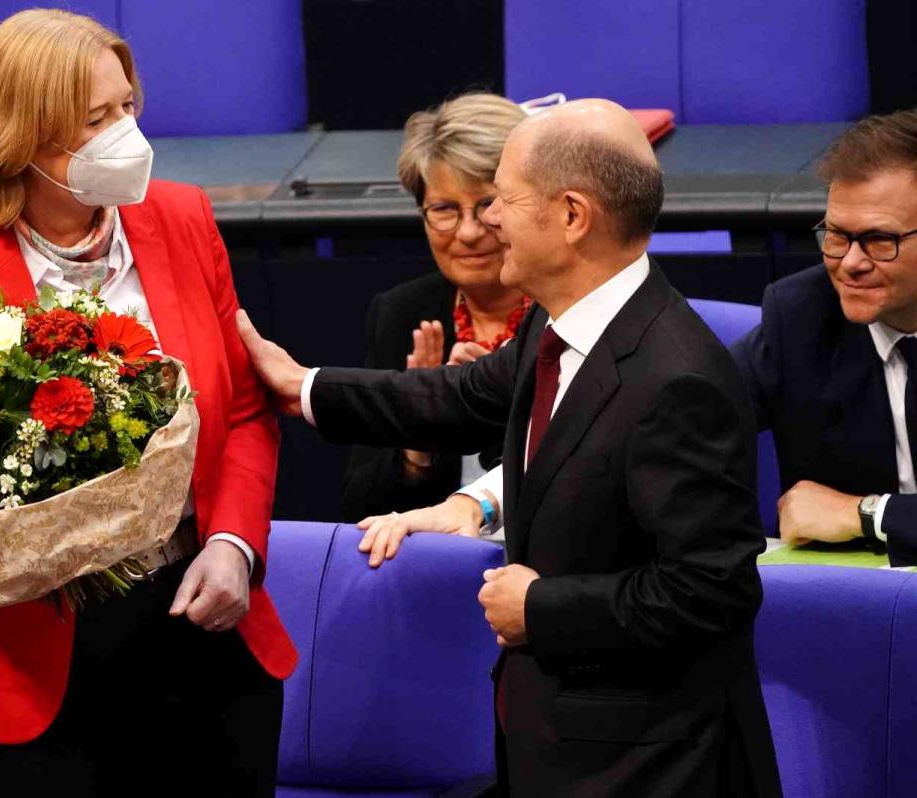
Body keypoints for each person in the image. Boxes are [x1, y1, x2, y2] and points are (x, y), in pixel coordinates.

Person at [238, 99, 781, 796]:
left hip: (647, 766)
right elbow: (455, 398)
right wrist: (302, 387)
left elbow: (714, 592)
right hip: (559, 747)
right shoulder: (556, 330)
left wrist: (543, 606)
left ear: (573, 216)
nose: (488, 222)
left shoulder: (678, 378)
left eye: (503, 200)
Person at [0, 10, 295, 796]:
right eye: (95, 120)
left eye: (127, 106)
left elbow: (243, 413)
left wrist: (235, 544)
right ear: (21, 139)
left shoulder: (184, 218)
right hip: (22, 671)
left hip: (200, 631)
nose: (125, 134)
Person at [731, 109, 917, 565]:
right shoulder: (801, 315)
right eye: (836, 235)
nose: (850, 262)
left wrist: (867, 513)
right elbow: (683, 414)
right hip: (852, 609)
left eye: (879, 239)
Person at [340, 93, 530, 524]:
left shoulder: (567, 312)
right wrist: (417, 443)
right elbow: (358, 507)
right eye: (444, 209)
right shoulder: (402, 314)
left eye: (488, 206)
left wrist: (503, 404)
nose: (467, 232)